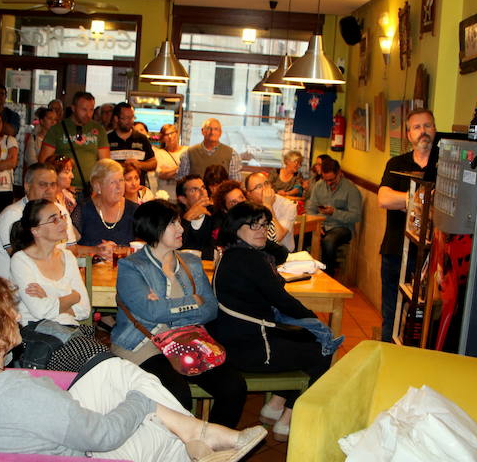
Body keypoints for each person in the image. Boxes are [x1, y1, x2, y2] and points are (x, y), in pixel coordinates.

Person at [0, 274, 266, 462]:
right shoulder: (20, 393)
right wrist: (140, 402)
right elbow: (103, 436)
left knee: (114, 370)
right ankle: (197, 436)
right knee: (158, 430)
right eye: (8, 311)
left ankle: (197, 432)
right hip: (85, 451)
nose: (17, 316)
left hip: (40, 426)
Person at [113, 200, 247, 429]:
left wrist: (167, 308)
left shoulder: (191, 263)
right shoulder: (132, 266)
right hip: (143, 344)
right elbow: (150, 312)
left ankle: (212, 448)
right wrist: (191, 302)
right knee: (178, 395)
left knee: (234, 387)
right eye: (173, 223)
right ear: (153, 227)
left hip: (187, 340)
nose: (181, 229)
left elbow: (210, 308)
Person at [208, 202, 333, 442]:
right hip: (250, 349)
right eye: (253, 225)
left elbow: (282, 254)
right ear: (235, 228)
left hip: (236, 341)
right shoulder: (250, 260)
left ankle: (275, 406)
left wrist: (260, 237)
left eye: (264, 225)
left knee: (303, 338)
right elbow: (283, 300)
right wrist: (316, 323)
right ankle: (287, 421)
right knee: (322, 349)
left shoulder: (234, 252)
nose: (261, 230)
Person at [9, 199, 108, 371]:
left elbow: (84, 309)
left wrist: (49, 297)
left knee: (104, 362)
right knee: (99, 360)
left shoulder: (67, 257)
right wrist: (72, 297)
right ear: (36, 231)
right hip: (41, 337)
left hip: (72, 332)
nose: (63, 222)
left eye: (61, 216)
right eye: (54, 219)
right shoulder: (21, 260)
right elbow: (39, 312)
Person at [378, 108, 436, 342]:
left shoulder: (445, 164)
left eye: (428, 126)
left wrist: (403, 201)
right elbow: (383, 199)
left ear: (434, 129)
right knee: (390, 314)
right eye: (417, 127)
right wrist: (420, 201)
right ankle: (386, 355)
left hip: (431, 256)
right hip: (395, 251)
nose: (423, 131)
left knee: (424, 319)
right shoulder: (396, 163)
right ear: (409, 134)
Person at [0, 163, 77, 279]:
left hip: (44, 283)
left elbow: (71, 250)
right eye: (43, 185)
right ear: (27, 187)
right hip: (6, 289)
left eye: (53, 185)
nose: (49, 190)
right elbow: (23, 260)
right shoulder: (12, 215)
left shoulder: (61, 211)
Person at [39, 91, 109, 193]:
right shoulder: (57, 129)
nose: (88, 114)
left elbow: (105, 162)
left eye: (91, 110)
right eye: (84, 110)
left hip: (91, 189)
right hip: (62, 189)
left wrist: (98, 185)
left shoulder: (99, 129)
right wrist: (59, 184)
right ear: (73, 108)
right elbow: (44, 162)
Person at [305, 157, 363, 275]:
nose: (328, 183)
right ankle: (301, 272)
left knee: (329, 242)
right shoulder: (318, 186)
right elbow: (310, 209)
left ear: (339, 173)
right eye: (325, 179)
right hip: (320, 224)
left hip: (342, 228)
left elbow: (356, 216)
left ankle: (327, 276)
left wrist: (334, 212)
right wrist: (316, 224)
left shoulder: (351, 190)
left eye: (331, 179)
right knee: (297, 236)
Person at [72, 159, 138, 258]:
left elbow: (146, 246)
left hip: (126, 271)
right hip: (92, 271)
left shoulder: (134, 210)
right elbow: (67, 248)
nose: (119, 187)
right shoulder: (83, 210)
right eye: (113, 182)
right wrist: (94, 250)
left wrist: (120, 251)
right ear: (97, 186)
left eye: (121, 180)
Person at [244, 171, 297, 252]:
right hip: (254, 253)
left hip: (282, 254)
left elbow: (278, 237)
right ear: (249, 194)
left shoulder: (288, 205)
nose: (264, 189)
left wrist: (268, 206)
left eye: (266, 184)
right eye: (258, 187)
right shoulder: (246, 207)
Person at [177, 119, 242, 181]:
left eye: (216, 129)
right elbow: (181, 180)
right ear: (202, 131)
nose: (212, 132)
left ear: (220, 132)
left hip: (221, 192)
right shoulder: (188, 153)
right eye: (208, 128)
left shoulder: (232, 155)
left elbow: (235, 183)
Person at [109, 102, 157, 175]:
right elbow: (102, 164)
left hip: (138, 184)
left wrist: (139, 164)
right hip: (115, 184)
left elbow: (153, 163)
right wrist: (123, 166)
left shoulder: (142, 139)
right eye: (126, 118)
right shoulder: (108, 139)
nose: (130, 121)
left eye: (132, 117)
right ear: (116, 118)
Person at [177, 174, 216, 261]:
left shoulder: (216, 215)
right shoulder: (176, 219)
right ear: (183, 199)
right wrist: (187, 218)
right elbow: (174, 248)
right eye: (194, 190)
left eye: (203, 188)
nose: (203, 193)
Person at [22, 106, 58, 181]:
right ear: (41, 121)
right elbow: (31, 161)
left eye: (55, 120)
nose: (53, 122)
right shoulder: (34, 139)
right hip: (38, 177)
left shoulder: (58, 140)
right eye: (50, 118)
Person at [152, 123, 187, 201]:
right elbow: (161, 174)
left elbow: (188, 172)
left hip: (183, 197)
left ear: (177, 134)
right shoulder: (158, 153)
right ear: (163, 138)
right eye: (166, 135)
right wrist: (180, 168)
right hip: (165, 196)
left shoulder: (186, 151)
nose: (170, 137)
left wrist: (169, 170)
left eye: (172, 133)